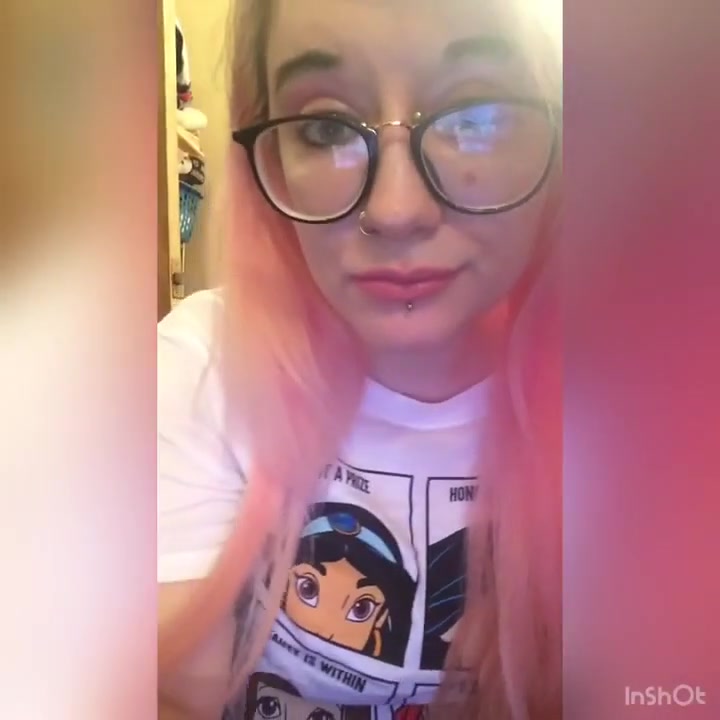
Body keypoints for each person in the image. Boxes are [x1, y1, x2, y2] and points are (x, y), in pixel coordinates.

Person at [158, 1, 561, 719]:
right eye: (324, 128)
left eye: (475, 114)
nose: (395, 210)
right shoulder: (200, 364)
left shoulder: (643, 399)